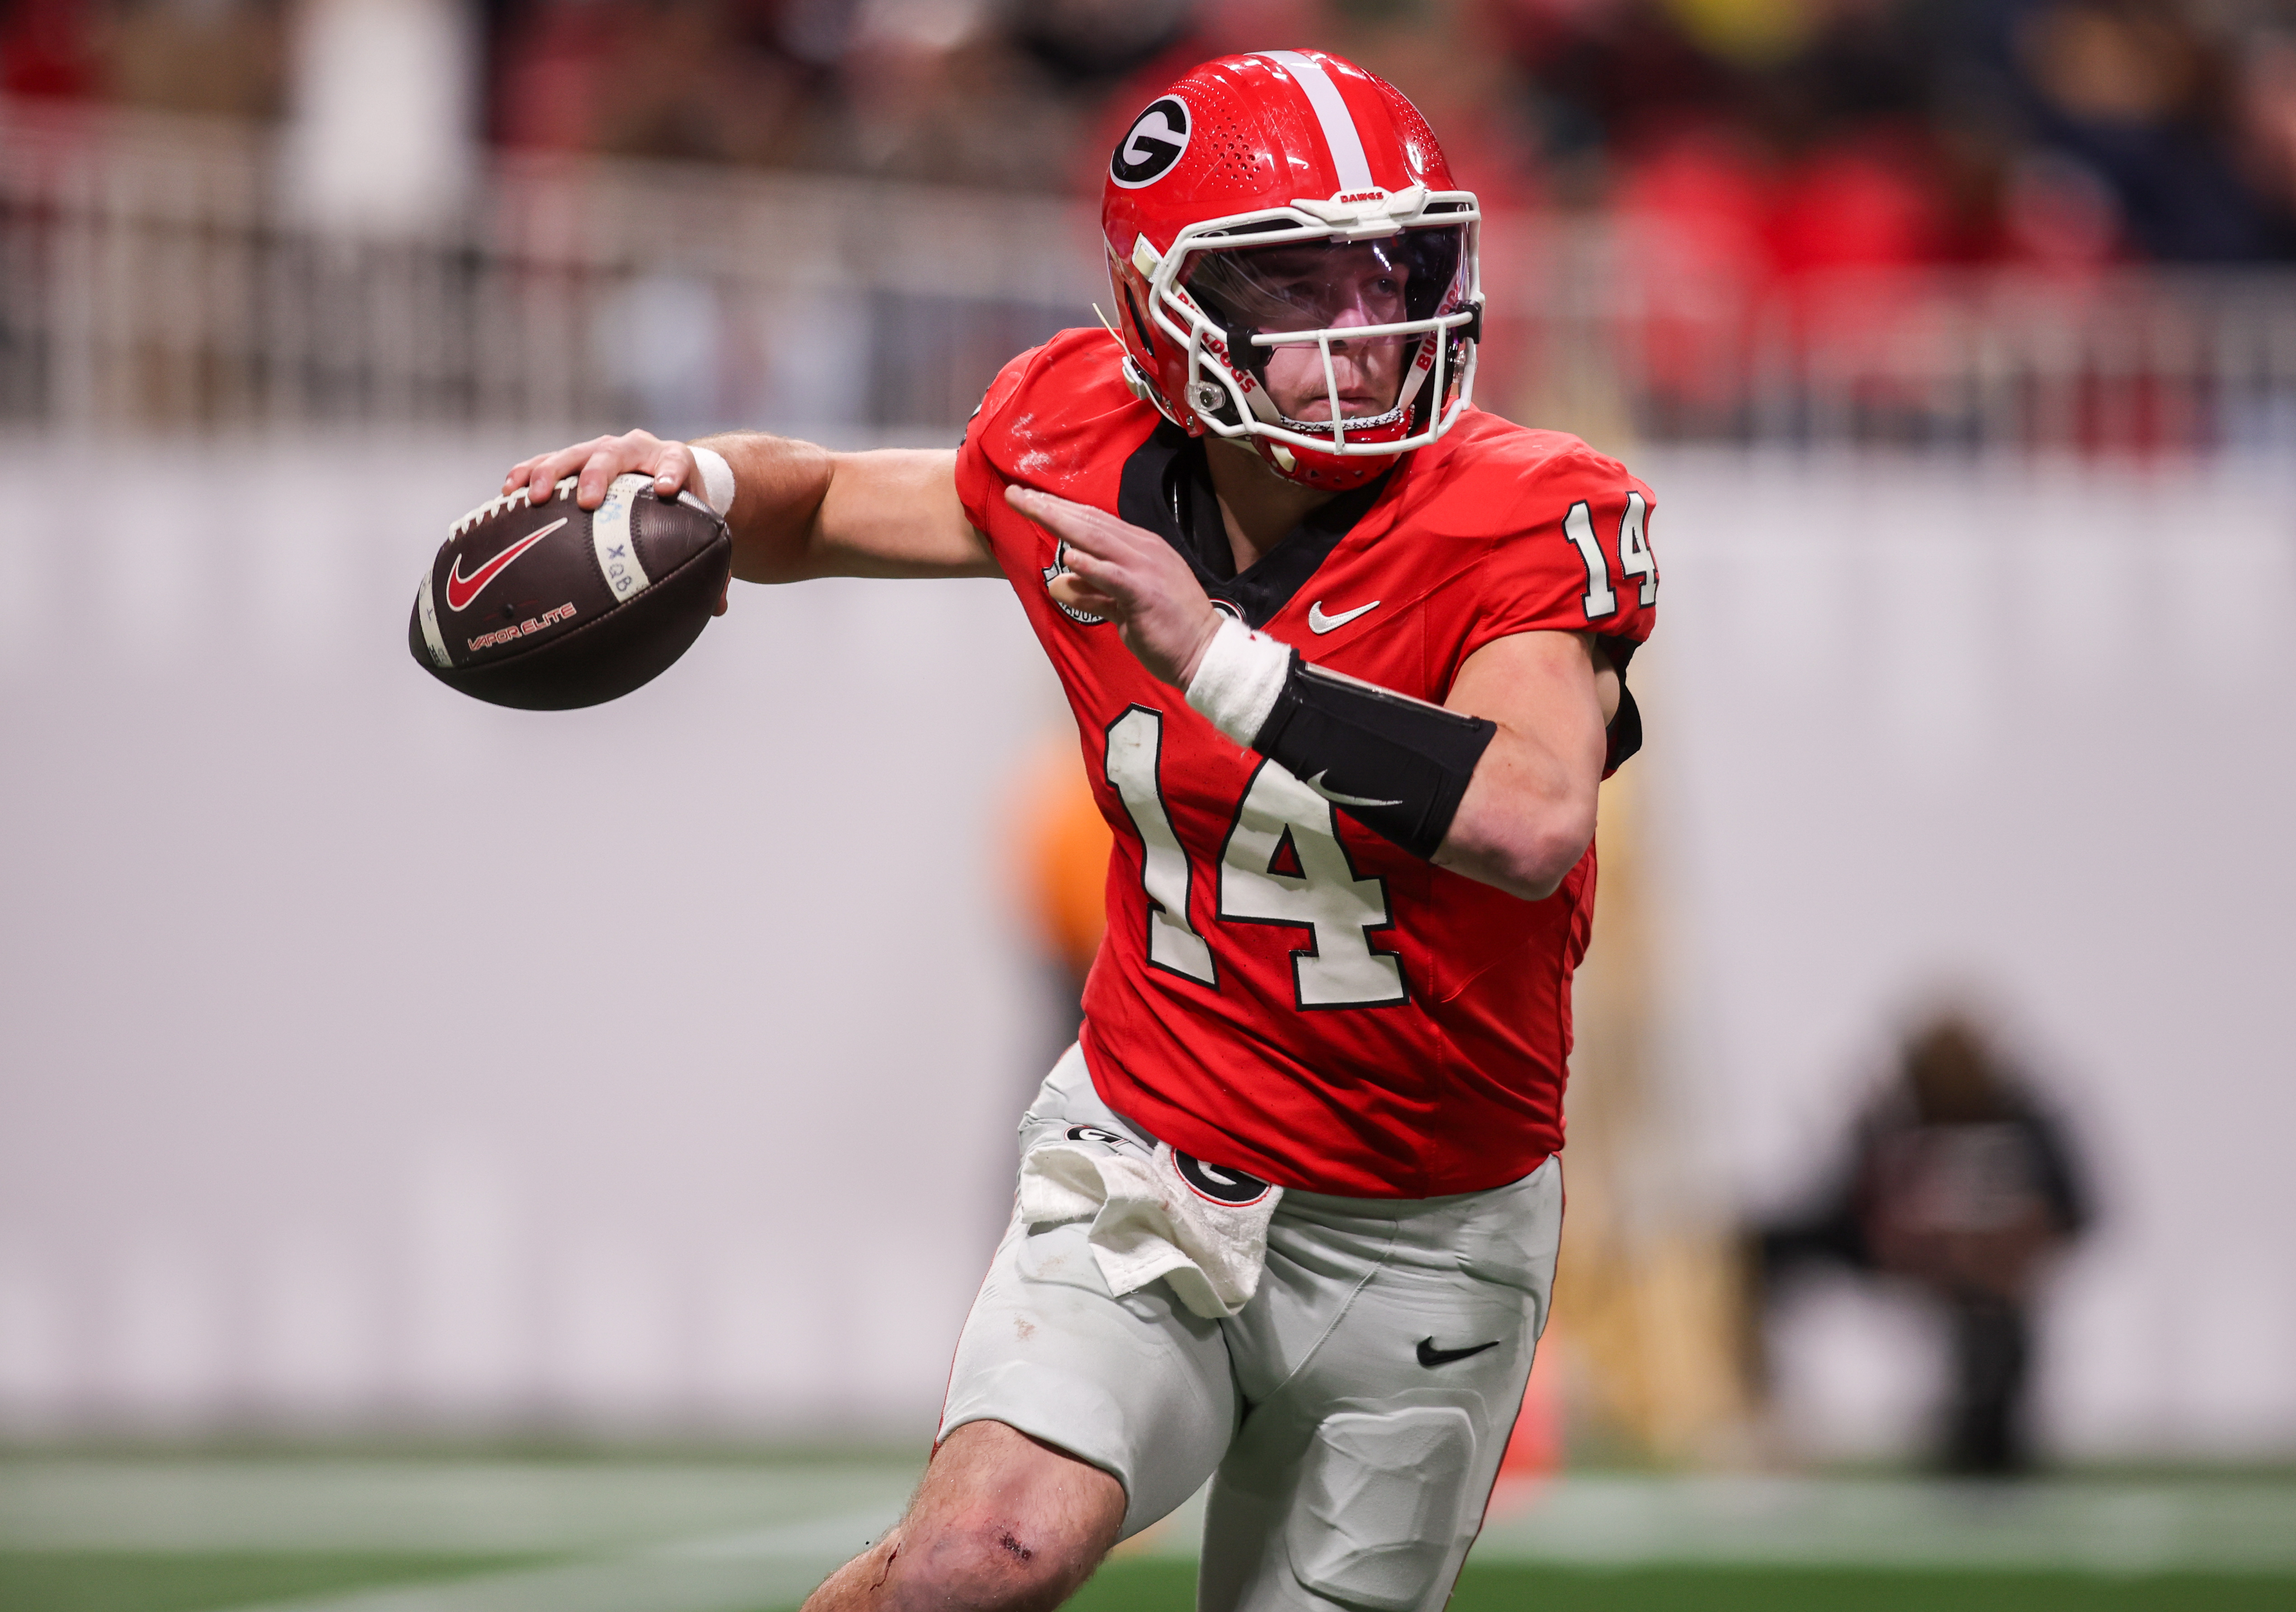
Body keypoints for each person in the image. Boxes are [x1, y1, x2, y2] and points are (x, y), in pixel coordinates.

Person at [497, 49, 1657, 1611]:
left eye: (1393, 267)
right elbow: (835, 500)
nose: (1363, 328)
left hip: (1429, 1232)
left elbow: (1528, 813)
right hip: (1154, 1161)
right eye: (1296, 284)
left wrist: (1223, 660)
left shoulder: (1522, 507)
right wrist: (691, 476)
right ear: (1166, 315)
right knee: (975, 1558)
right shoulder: (1077, 438)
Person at [1744, 1009, 2093, 1476]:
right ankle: (1745, 1401)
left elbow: (2076, 1210)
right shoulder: (1893, 1116)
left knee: (1997, 1329)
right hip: (1895, 1254)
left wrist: (2004, 1252)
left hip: (1979, 1273)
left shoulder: (2023, 1124)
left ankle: (1985, 1449)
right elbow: (1840, 1200)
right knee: (1753, 1251)